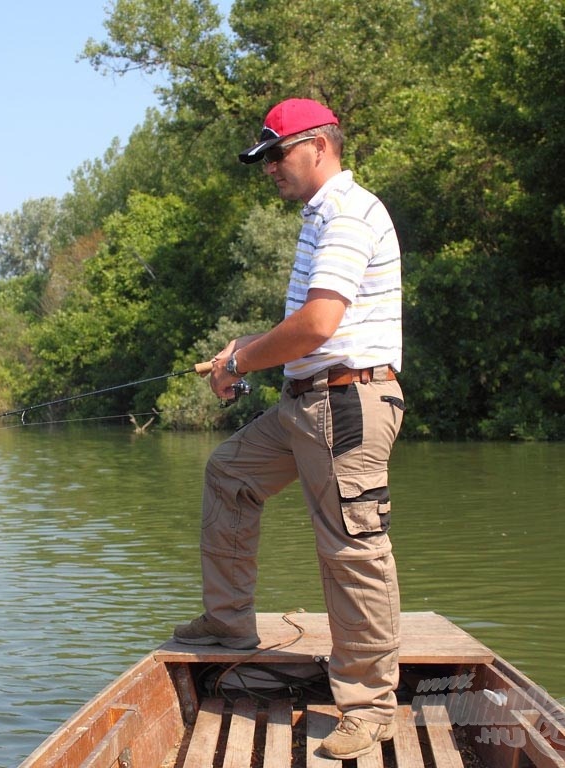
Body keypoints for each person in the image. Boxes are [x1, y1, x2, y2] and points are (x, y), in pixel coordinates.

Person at [172, 97, 405, 761]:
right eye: (264, 157)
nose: (269, 167)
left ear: (318, 146)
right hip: (306, 403)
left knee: (351, 550)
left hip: (348, 405)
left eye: (276, 154)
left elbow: (319, 326)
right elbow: (302, 334)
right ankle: (229, 624)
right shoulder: (318, 217)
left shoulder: (349, 213)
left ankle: (368, 706)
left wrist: (242, 356)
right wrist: (238, 353)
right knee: (230, 473)